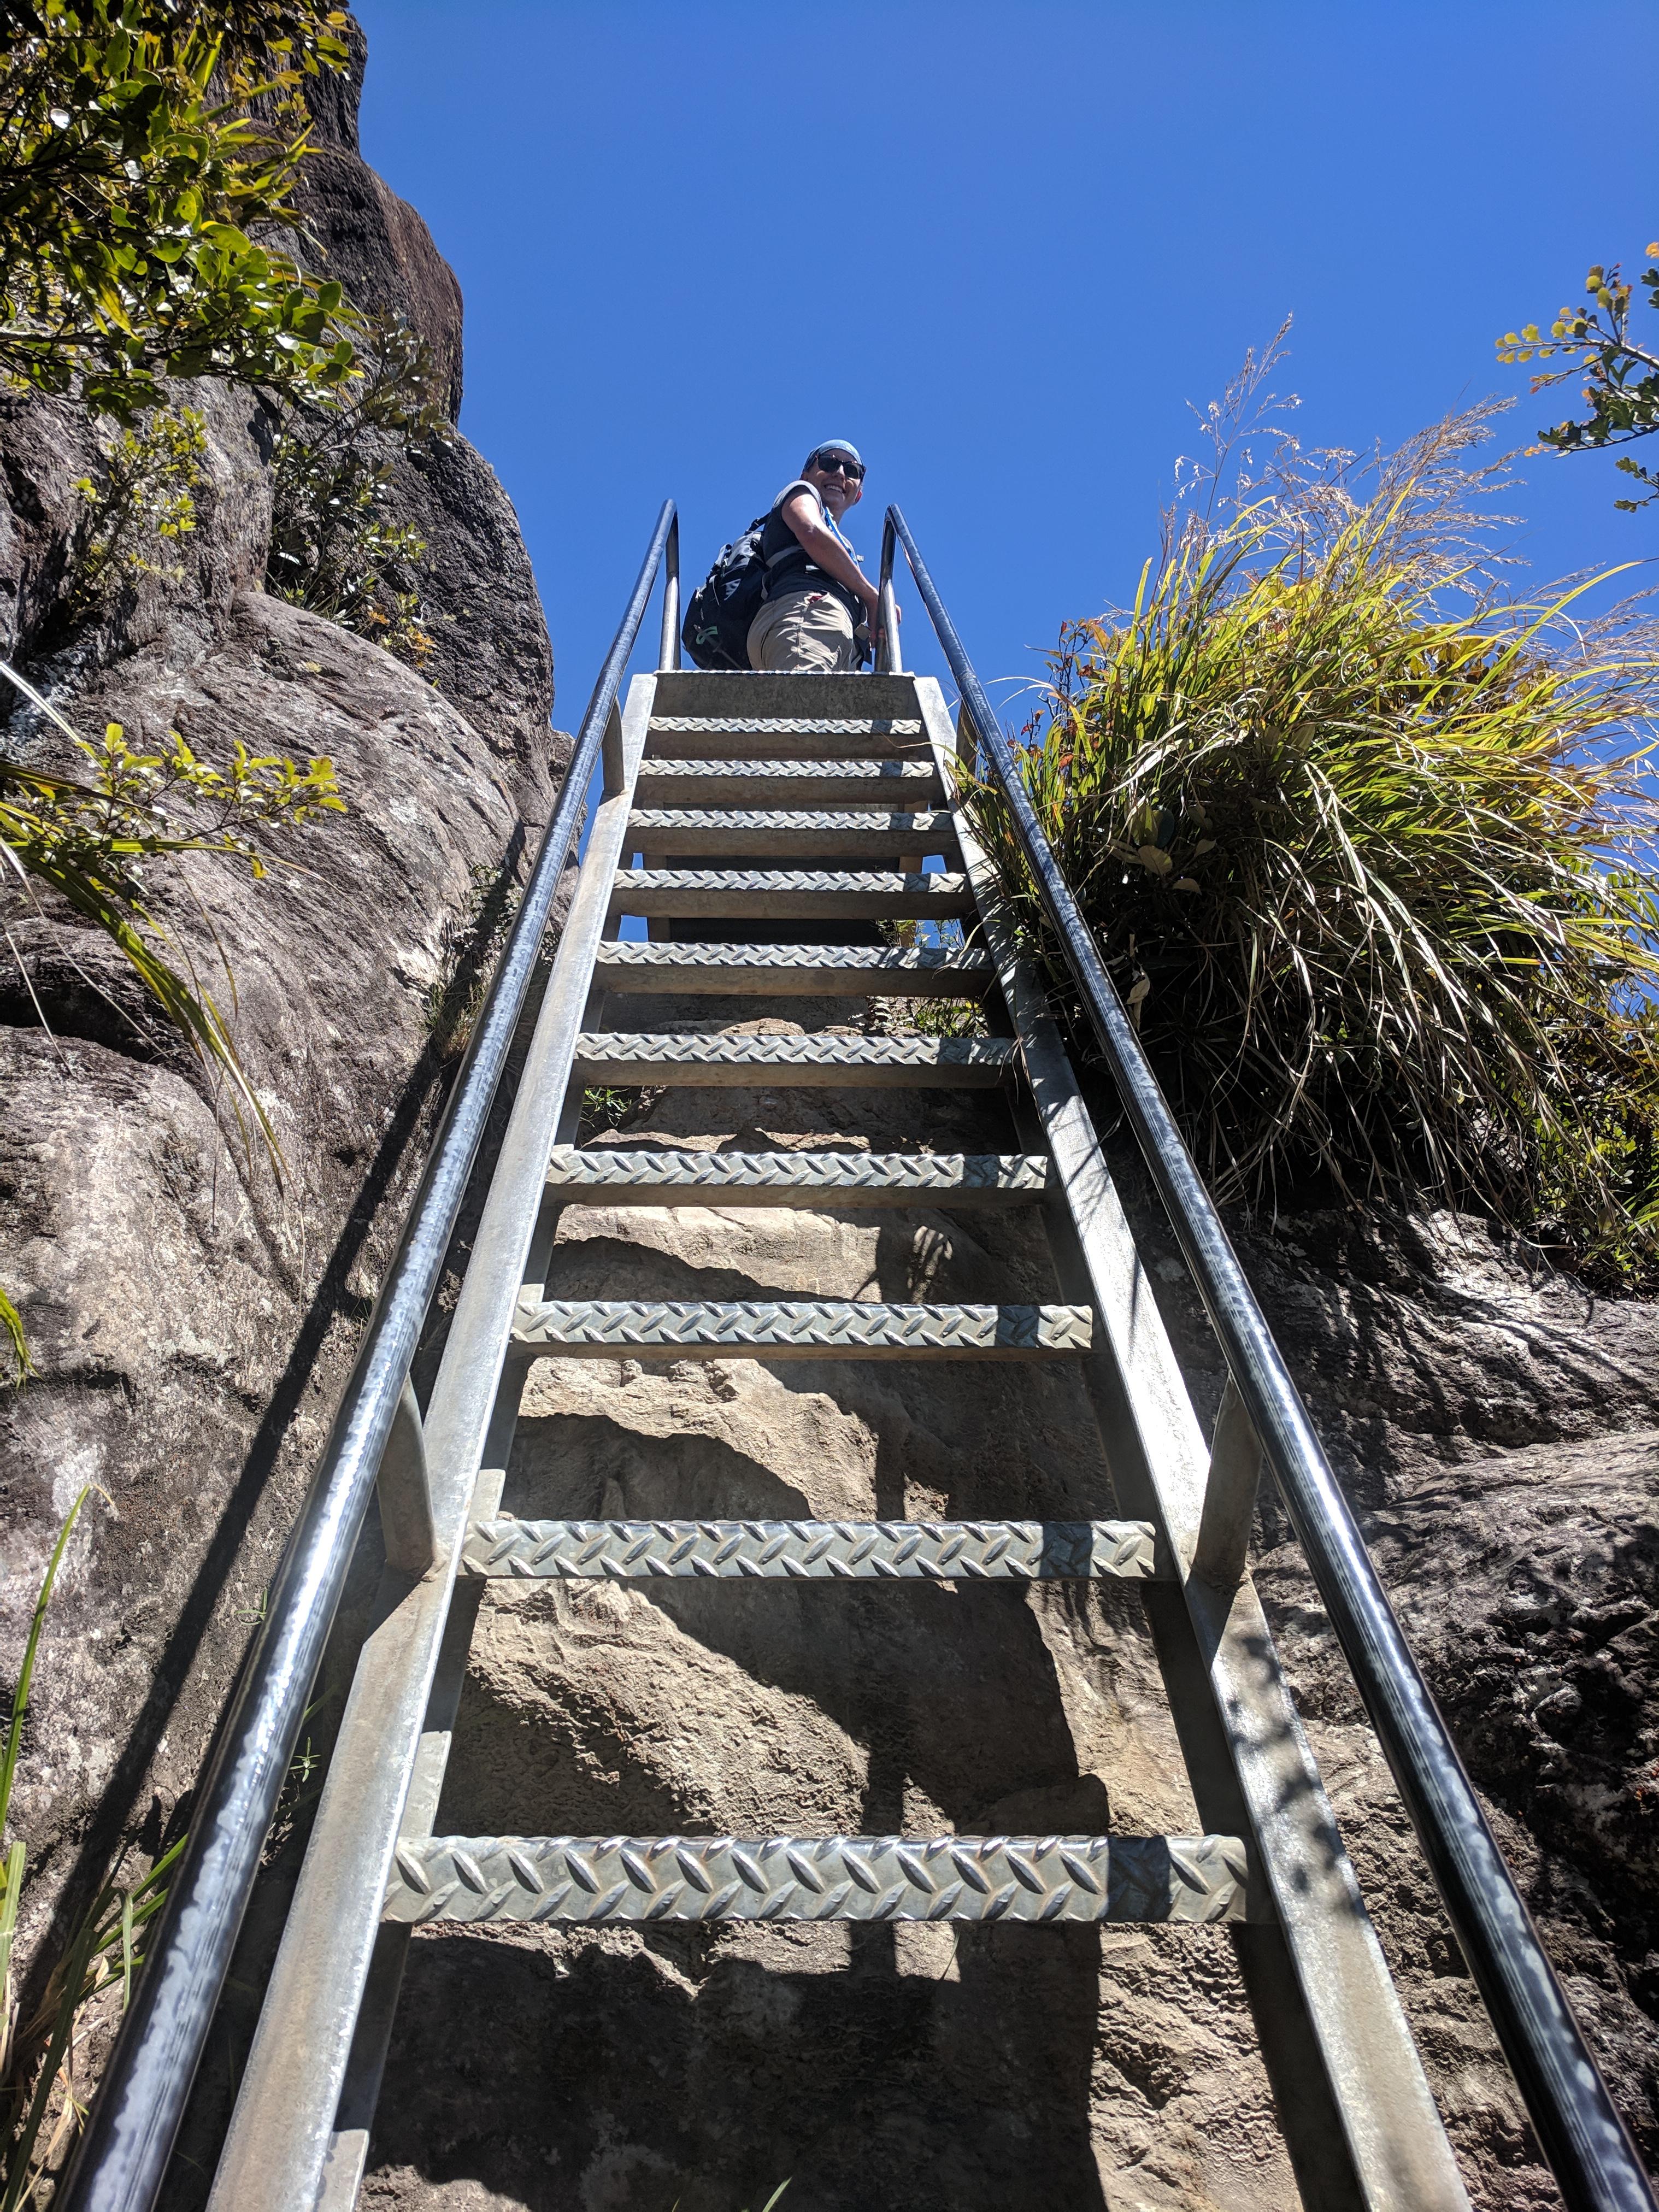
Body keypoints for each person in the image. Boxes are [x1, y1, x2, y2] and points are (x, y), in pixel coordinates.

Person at [747, 441, 892, 672]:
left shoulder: (841, 544)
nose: (840, 473)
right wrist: (872, 597)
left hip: (825, 633)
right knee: (807, 704)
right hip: (806, 615)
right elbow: (811, 531)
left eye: (852, 470)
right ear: (805, 475)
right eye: (829, 463)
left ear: (858, 495)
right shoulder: (802, 492)